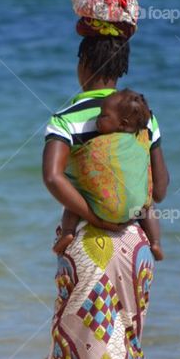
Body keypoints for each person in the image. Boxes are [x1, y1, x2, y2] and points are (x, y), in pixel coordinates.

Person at [42, 0, 175, 359]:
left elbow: (52, 177)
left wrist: (91, 214)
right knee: (129, 347)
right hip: (139, 248)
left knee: (99, 358)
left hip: (93, 250)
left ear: (83, 62)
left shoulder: (71, 115)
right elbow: (158, 189)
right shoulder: (146, 118)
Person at [52, 88, 164, 261]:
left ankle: (68, 233)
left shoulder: (94, 143)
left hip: (100, 212)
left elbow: (66, 173)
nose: (97, 119)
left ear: (122, 123)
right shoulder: (140, 139)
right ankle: (155, 241)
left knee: (76, 189)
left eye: (103, 116)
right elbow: (159, 190)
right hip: (134, 210)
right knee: (148, 205)